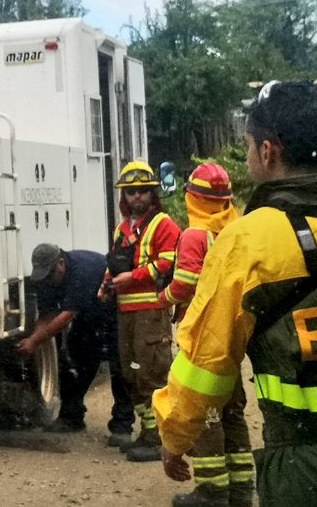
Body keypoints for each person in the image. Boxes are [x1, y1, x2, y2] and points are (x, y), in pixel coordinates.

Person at [153, 80, 317, 507]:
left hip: (307, 470)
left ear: (267, 151)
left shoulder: (249, 243)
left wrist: (174, 435)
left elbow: (205, 365)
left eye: (247, 146)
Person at [157, 163, 252, 506]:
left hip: (202, 336)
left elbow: (184, 283)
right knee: (233, 411)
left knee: (207, 413)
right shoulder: (237, 228)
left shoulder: (196, 235)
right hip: (233, 331)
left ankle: (212, 492)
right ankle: (241, 490)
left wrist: (163, 298)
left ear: (193, 199)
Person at [100, 160, 181, 462]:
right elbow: (116, 264)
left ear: (151, 193)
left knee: (152, 374)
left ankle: (160, 436)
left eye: (142, 191)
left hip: (151, 311)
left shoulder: (164, 225)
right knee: (130, 375)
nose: (136, 197)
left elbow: (168, 263)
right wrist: (106, 283)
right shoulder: (122, 229)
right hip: (125, 313)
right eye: (131, 192)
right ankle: (148, 432)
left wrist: (132, 278)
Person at [17, 244, 134, 439]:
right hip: (86, 318)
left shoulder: (82, 270)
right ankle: (71, 417)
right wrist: (32, 339)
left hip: (113, 315)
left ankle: (122, 426)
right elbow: (46, 315)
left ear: (61, 264)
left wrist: (33, 342)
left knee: (118, 370)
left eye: (50, 275)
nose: (48, 281)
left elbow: (66, 316)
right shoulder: (48, 279)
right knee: (73, 364)